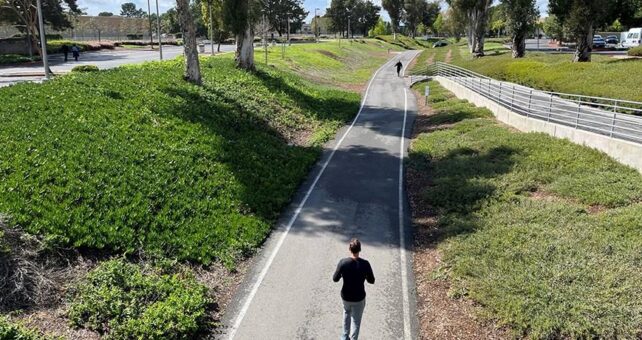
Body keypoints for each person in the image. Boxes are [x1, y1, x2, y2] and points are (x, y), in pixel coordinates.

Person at [333, 238, 375, 340]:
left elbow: (335, 279)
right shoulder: (365, 264)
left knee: (346, 313)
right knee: (356, 321)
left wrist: (342, 274)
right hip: (359, 298)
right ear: (359, 250)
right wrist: (364, 276)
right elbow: (372, 280)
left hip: (346, 297)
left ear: (349, 249)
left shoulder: (343, 263)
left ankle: (344, 337)